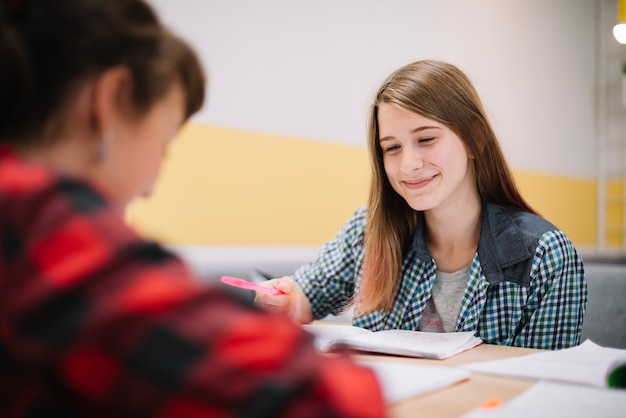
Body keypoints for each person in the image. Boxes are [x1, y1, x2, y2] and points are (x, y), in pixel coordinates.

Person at [0, 0, 385, 417]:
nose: (149, 190)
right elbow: (325, 399)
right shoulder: (37, 216)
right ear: (110, 100)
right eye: (164, 143)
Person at [255, 60, 587, 350]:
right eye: (392, 147)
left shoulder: (547, 255)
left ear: (475, 139)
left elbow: (541, 390)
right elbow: (305, 297)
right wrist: (285, 299)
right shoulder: (367, 231)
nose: (408, 164)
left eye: (426, 139)